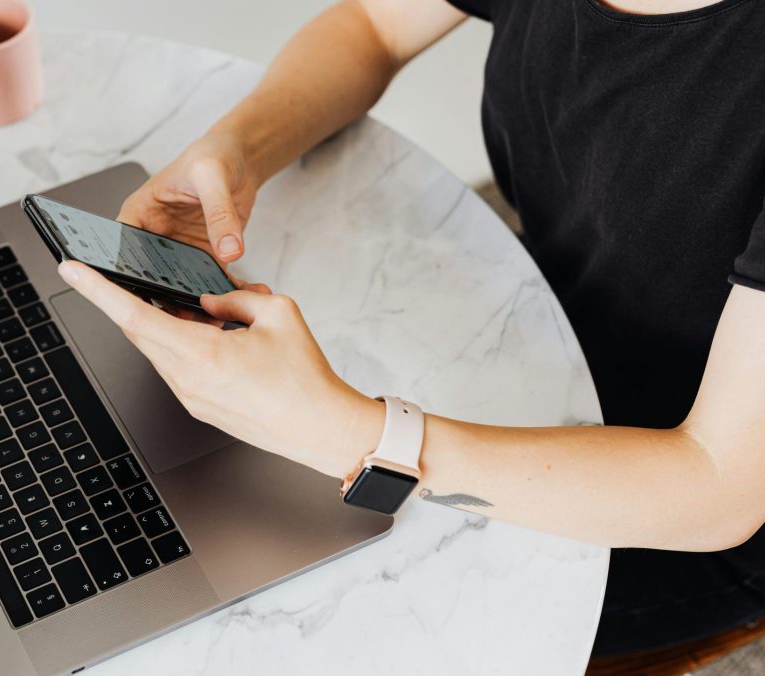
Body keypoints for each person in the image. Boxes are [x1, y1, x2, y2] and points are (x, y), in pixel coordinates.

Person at [56, 0, 765, 659]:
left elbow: (717, 487)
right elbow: (375, 25)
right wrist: (240, 151)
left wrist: (353, 436)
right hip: (543, 329)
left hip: (685, 505)